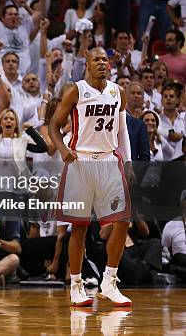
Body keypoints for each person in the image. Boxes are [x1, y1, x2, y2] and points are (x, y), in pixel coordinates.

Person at [49, 47, 136, 307]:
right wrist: (63, 150)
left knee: (122, 222)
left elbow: (122, 130)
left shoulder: (117, 92)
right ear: (86, 63)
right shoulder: (75, 91)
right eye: (96, 59)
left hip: (110, 161)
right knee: (79, 227)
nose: (101, 63)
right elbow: (54, 126)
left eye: (105, 60)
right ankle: (76, 284)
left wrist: (128, 162)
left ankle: (109, 282)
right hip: (81, 161)